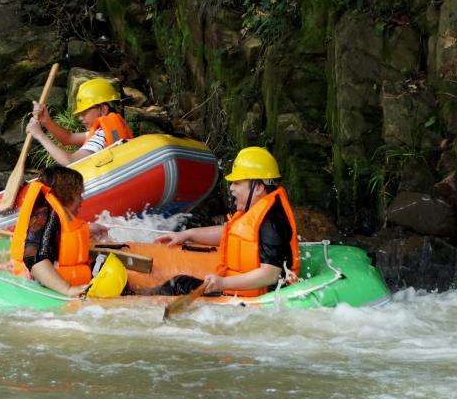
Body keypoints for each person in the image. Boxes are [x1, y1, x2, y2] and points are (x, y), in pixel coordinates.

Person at [150, 147, 299, 297]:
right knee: (181, 283)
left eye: (237, 183)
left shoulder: (272, 222)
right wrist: (188, 234)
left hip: (260, 297)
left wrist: (223, 283)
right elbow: (228, 233)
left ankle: (136, 300)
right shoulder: (258, 211)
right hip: (242, 291)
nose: (231, 188)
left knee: (179, 285)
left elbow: (270, 275)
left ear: (259, 187)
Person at [9, 166, 95, 297]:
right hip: (39, 284)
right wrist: (68, 289)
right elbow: (35, 260)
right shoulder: (45, 213)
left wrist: (91, 230)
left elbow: (58, 239)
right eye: (79, 194)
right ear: (68, 194)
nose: (82, 200)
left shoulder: (51, 212)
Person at [25, 77, 134, 166]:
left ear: (103, 109)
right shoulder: (109, 131)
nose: (80, 118)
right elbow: (68, 138)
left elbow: (70, 162)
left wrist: (39, 135)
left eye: (84, 113)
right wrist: (47, 122)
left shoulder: (101, 137)